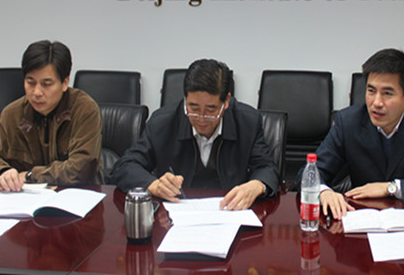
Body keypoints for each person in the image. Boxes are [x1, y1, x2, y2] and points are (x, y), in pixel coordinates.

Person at [302, 48, 404, 219]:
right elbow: (310, 172)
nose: (376, 102)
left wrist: (390, 188)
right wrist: (323, 192)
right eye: (371, 91)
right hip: (362, 218)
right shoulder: (348, 122)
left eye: (387, 93)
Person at [111, 58, 279, 210]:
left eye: (211, 110)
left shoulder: (247, 122)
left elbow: (267, 168)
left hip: (229, 212)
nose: (201, 118)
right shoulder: (162, 123)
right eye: (193, 108)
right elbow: (125, 166)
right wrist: (154, 185)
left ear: (226, 101)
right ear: (185, 99)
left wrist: (257, 185)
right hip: (176, 216)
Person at [0, 40, 103, 190]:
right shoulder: (12, 114)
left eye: (46, 84)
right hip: (24, 199)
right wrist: (2, 172)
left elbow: (81, 169)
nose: (37, 92)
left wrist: (30, 175)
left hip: (77, 196)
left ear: (65, 83)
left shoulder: (84, 109)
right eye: (30, 82)